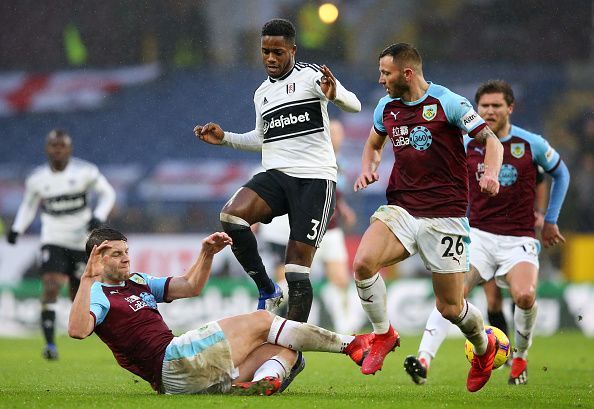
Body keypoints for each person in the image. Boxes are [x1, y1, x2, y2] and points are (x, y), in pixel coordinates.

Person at [352, 43, 504, 393]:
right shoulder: (385, 107)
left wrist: (491, 174)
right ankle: (383, 334)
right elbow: (374, 144)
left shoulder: (447, 102)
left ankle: (484, 349)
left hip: (445, 216)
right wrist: (367, 168)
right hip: (402, 208)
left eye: (386, 73)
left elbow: (490, 140)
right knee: (363, 263)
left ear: (407, 73)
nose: (381, 79)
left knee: (450, 307)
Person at [68, 226, 376, 395]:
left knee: (286, 349)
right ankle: (350, 344)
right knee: (260, 320)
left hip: (180, 382)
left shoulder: (138, 281)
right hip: (170, 360)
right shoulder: (97, 294)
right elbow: (78, 331)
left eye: (126, 252)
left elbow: (189, 286)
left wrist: (206, 254)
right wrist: (86, 278)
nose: (125, 259)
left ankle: (261, 385)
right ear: (96, 259)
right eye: (116, 254)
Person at [193, 18, 361, 323]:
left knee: (297, 271)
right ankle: (267, 289)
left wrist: (335, 93)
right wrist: (226, 138)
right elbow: (262, 137)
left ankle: (290, 346)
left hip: (315, 179)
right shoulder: (261, 94)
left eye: (278, 52)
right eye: (265, 51)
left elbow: (356, 106)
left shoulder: (312, 76)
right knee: (232, 216)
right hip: (277, 174)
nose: (270, 58)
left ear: (292, 50)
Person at [405, 80, 570, 386]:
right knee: (453, 294)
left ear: (510, 108)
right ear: (476, 108)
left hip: (519, 239)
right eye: (484, 106)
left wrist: (550, 219)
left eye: (496, 106)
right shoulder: (467, 143)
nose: (490, 111)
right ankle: (424, 359)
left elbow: (562, 173)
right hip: (477, 235)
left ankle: (519, 357)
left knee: (524, 296)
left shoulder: (530, 143)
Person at [6, 129, 116, 360]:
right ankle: (49, 344)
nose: (57, 150)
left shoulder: (86, 171)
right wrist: (17, 228)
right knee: (51, 284)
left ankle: (99, 334)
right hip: (53, 239)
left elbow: (108, 194)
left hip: (80, 241)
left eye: (61, 146)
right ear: (47, 149)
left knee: (80, 293)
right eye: (53, 146)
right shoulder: (37, 179)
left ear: (69, 148)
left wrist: (99, 214)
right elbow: (28, 206)